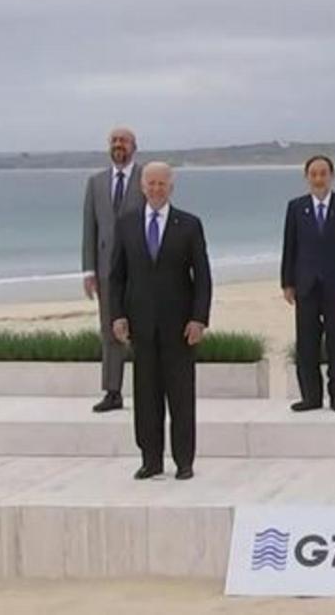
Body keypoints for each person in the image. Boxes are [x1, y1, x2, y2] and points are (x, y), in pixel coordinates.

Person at [109, 161, 212, 481]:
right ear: (142, 186)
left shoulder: (189, 224)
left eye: (161, 184)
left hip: (179, 327)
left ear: (171, 187)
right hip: (141, 326)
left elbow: (203, 277)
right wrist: (117, 315)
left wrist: (198, 319)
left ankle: (184, 461)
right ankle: (150, 460)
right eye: (151, 183)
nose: (156, 189)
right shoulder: (126, 224)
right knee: (146, 396)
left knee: (180, 397)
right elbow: (117, 277)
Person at [280, 154, 335, 412]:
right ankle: (311, 397)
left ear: (332, 176)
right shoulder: (296, 207)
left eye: (323, 173)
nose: (318, 179)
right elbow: (289, 247)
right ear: (307, 177)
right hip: (305, 286)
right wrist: (287, 283)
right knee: (306, 344)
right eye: (313, 174)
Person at [82, 127, 146, 413]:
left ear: (134, 146)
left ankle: (147, 388)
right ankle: (112, 391)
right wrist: (88, 270)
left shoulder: (145, 178)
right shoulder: (96, 182)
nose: (119, 145)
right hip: (107, 270)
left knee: (142, 328)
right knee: (109, 330)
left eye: (124, 141)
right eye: (114, 141)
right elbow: (89, 228)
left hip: (139, 269)